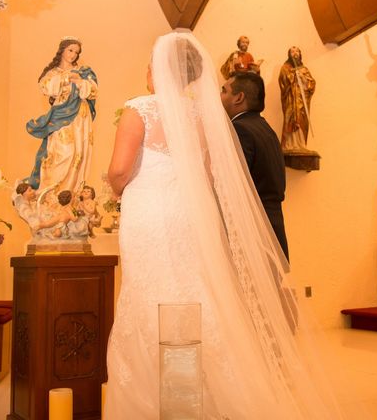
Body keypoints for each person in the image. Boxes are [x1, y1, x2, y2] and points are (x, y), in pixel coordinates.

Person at [104, 32, 344, 419]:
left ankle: (157, 401)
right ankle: (190, 399)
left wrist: (117, 187)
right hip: (189, 215)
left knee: (147, 294)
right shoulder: (202, 115)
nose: (147, 70)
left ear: (159, 70)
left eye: (151, 62)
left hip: (148, 212)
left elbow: (118, 170)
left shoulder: (138, 109)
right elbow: (212, 177)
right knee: (193, 294)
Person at [220, 71, 289, 259]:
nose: (219, 96)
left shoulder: (240, 129)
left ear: (239, 98)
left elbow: (232, 183)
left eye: (224, 91)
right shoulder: (264, 127)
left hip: (253, 230)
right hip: (272, 225)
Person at [24, 37, 98, 192]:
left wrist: (79, 81)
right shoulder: (53, 73)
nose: (73, 55)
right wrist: (66, 77)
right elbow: (46, 87)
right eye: (70, 50)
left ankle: (70, 195)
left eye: (76, 52)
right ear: (62, 50)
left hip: (80, 117)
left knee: (79, 154)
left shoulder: (83, 71)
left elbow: (93, 90)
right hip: (61, 116)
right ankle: (51, 192)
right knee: (64, 152)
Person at [279, 46, 316, 152]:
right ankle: (289, 144)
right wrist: (293, 76)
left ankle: (301, 144)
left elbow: (311, 84)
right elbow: (283, 81)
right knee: (291, 119)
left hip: (302, 100)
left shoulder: (304, 69)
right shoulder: (285, 68)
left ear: (300, 54)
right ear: (289, 55)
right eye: (292, 52)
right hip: (291, 100)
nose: (295, 53)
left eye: (297, 51)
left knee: (301, 120)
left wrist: (303, 78)